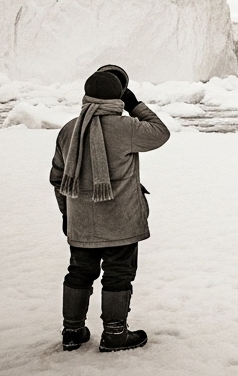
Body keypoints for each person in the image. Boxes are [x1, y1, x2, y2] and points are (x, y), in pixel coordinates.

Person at [49, 64, 170, 352]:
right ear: (119, 96)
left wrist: (67, 214)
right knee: (118, 273)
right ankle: (115, 334)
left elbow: (58, 178)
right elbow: (161, 133)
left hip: (81, 221)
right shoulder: (127, 127)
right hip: (121, 221)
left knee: (79, 272)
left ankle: (72, 332)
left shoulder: (69, 130)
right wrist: (135, 105)